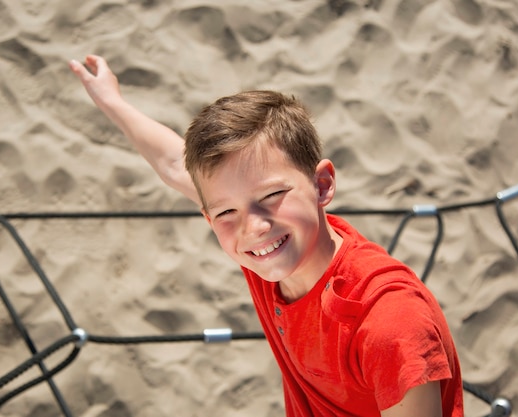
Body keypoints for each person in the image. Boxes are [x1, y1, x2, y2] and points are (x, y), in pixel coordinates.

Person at [69, 55, 464, 417]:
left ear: (322, 184)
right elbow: (175, 163)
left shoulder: (387, 321)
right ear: (210, 219)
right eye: (226, 212)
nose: (253, 227)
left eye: (272, 195)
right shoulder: (269, 252)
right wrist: (111, 101)